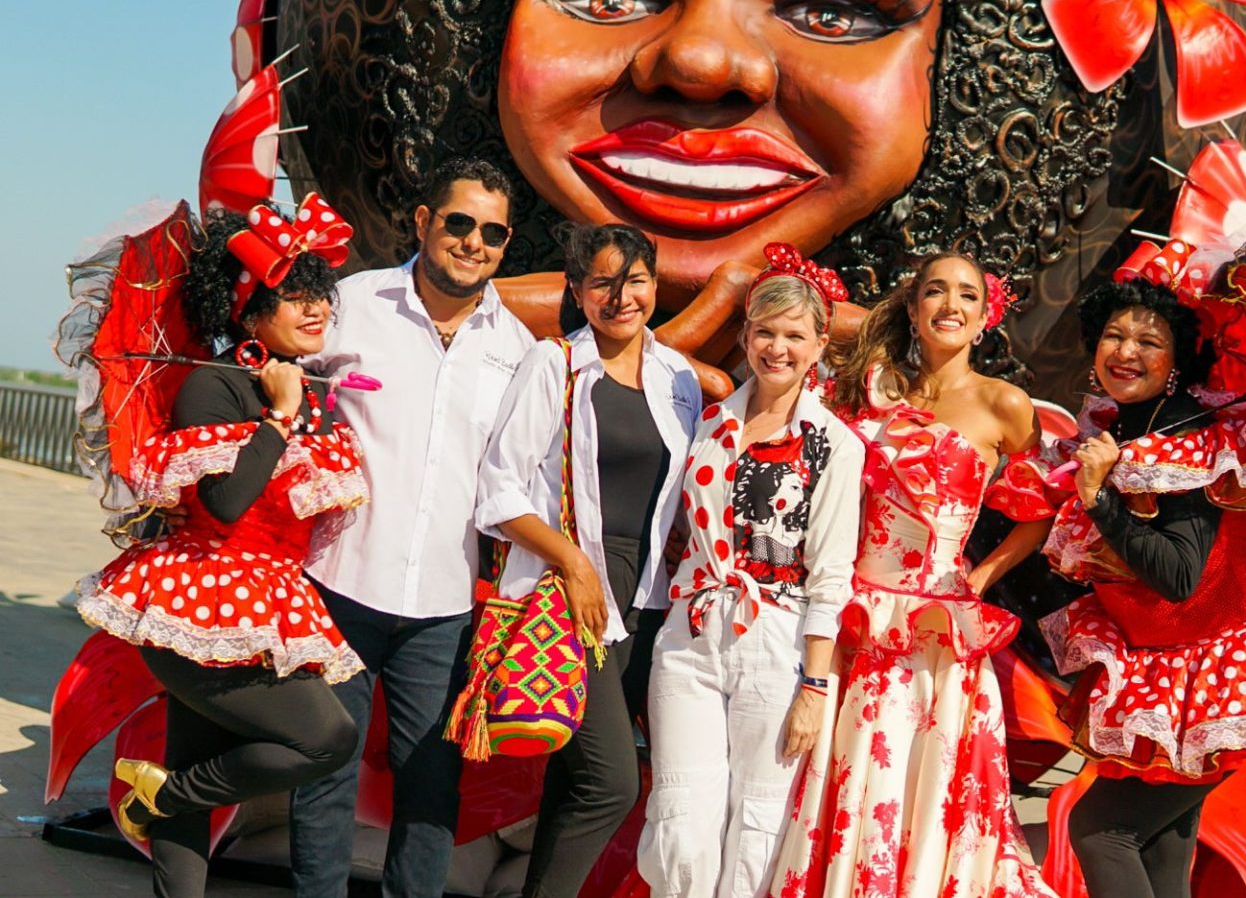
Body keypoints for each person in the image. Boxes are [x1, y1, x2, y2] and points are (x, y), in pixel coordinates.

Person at [74, 203, 365, 898]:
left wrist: (293, 409)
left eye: (319, 293)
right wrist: (278, 418)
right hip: (198, 604)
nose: (316, 307)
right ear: (248, 307)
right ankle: (165, 795)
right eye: (293, 296)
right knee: (329, 735)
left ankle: (169, 797)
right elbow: (223, 504)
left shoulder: (299, 390)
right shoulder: (212, 385)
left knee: (195, 782)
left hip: (265, 609)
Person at [1043, 247, 1246, 898]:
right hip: (1171, 670)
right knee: (1164, 851)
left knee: (1099, 829)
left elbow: (1177, 574)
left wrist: (1098, 499)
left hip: (1215, 675)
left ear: (1178, 363)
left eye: (1149, 340)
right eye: (1114, 334)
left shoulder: (1188, 441)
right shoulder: (1125, 429)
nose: (1126, 350)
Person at [772, 253, 1058, 898]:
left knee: (918, 786)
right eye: (935, 292)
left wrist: (981, 577)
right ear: (913, 308)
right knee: (836, 775)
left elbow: (1039, 512)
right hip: (851, 618)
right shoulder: (866, 389)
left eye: (966, 296)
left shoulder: (1003, 402)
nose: (950, 306)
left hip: (938, 627)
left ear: (985, 318)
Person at [288, 157, 536, 898]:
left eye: (491, 232)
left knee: (431, 788)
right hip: (337, 581)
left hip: (444, 605)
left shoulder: (517, 348)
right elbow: (279, 371)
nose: (473, 242)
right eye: (459, 222)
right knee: (323, 772)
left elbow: (515, 479)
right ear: (425, 222)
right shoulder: (351, 305)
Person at [476, 223, 703, 898]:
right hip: (573, 591)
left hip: (649, 599)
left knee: (576, 781)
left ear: (655, 288)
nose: (621, 295)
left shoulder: (678, 377)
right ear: (577, 289)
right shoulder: (555, 364)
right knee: (610, 780)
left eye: (635, 280)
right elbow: (499, 490)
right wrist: (573, 564)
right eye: (602, 281)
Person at [637, 246, 863, 898]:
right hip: (691, 636)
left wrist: (815, 688)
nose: (777, 346)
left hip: (780, 642)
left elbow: (831, 572)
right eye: (765, 330)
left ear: (820, 344)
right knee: (680, 821)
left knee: (757, 831)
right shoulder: (708, 422)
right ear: (745, 335)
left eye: (795, 334)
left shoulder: (833, 445)